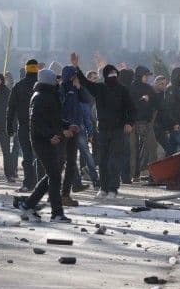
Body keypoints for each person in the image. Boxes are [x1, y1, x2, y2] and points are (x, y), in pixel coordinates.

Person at [17, 69, 75, 223]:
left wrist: (67, 126)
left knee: (52, 175)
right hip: (42, 141)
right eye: (55, 79)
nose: (57, 81)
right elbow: (36, 122)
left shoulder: (47, 95)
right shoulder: (41, 96)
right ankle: (56, 213)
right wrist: (51, 135)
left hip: (47, 140)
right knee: (54, 176)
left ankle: (28, 204)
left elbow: (53, 119)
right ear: (48, 80)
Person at [76, 57, 135, 199]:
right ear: (105, 76)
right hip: (102, 130)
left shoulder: (123, 90)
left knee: (114, 160)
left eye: (115, 75)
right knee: (103, 160)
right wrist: (76, 67)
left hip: (118, 131)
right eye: (110, 75)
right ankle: (103, 188)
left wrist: (129, 123)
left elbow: (131, 109)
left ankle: (113, 189)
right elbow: (85, 82)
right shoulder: (99, 88)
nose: (113, 77)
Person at [60, 65, 94, 207]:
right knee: (62, 161)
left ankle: (73, 187)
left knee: (72, 160)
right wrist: (63, 127)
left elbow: (88, 100)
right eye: (74, 75)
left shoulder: (75, 88)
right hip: (65, 129)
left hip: (76, 128)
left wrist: (80, 87)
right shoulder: (62, 88)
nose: (75, 78)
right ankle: (58, 193)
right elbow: (59, 108)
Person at [7, 58, 39, 192]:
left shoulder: (18, 86)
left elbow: (11, 108)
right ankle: (40, 184)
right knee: (39, 156)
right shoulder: (40, 85)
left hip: (24, 126)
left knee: (27, 156)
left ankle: (28, 184)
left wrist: (9, 126)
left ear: (26, 70)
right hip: (40, 127)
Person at [129, 66, 158, 180]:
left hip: (143, 122)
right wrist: (142, 99)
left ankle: (151, 174)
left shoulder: (148, 88)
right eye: (146, 75)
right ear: (140, 75)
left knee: (150, 148)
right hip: (135, 123)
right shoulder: (133, 88)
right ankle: (135, 175)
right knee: (136, 149)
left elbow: (156, 103)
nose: (147, 78)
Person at [162, 67, 180, 156]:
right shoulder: (171, 89)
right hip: (176, 124)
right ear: (177, 76)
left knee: (172, 148)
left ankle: (167, 166)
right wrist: (174, 123)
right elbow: (169, 108)